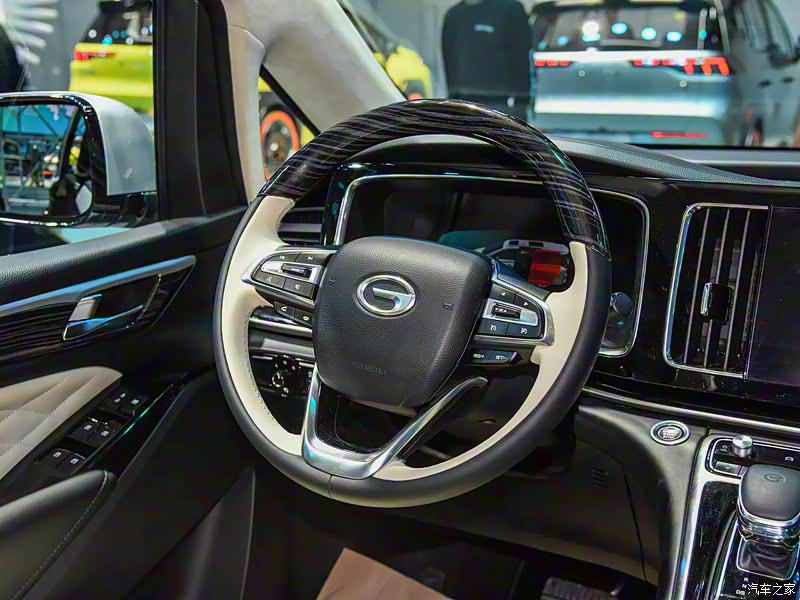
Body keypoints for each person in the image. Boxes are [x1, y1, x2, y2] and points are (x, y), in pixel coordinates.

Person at [442, 0, 532, 120]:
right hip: (462, 106)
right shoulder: (453, 16)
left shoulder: (510, 9)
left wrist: (521, 105)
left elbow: (521, 61)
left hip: (499, 105)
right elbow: (449, 62)